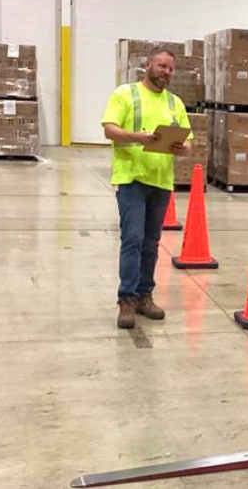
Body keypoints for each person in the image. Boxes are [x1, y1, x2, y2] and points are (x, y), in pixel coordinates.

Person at [101, 47, 193, 329]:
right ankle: (126, 300)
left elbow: (188, 144)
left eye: (170, 69)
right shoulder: (125, 94)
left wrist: (181, 147)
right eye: (162, 66)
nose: (166, 72)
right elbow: (109, 129)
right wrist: (137, 137)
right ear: (148, 65)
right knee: (132, 239)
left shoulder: (175, 102)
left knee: (151, 244)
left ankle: (144, 296)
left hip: (161, 181)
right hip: (132, 179)